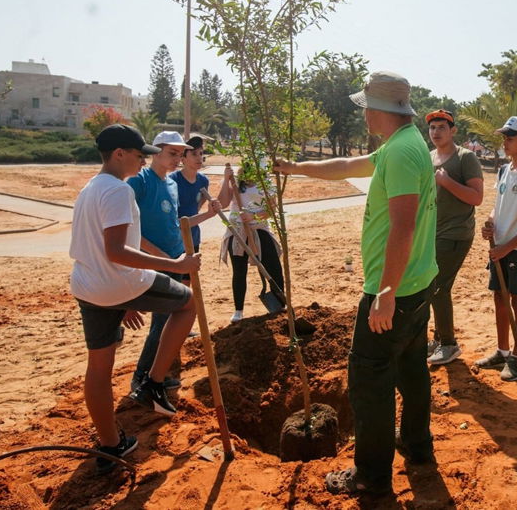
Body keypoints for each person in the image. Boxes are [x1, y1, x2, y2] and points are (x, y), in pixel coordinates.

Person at [275, 70, 437, 497]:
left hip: (394, 292)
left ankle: (370, 478)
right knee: (412, 370)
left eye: (366, 105)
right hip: (417, 285)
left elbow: (402, 228)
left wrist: (383, 294)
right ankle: (418, 447)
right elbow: (346, 166)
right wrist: (297, 167)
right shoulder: (401, 146)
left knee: (368, 384)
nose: (363, 113)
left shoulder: (401, 153)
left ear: (379, 109)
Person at [69, 124, 199, 473]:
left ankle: (112, 444)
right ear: (118, 154)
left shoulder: (90, 188)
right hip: (118, 282)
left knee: (98, 368)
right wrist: (175, 264)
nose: (144, 160)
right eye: (139, 154)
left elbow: (99, 248)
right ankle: (153, 383)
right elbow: (117, 252)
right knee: (188, 304)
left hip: (88, 286)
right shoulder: (118, 191)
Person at [128, 131, 219, 396]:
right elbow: (131, 230)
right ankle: (142, 380)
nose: (177, 159)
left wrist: (206, 217)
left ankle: (153, 376)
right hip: (155, 262)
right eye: (172, 153)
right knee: (160, 324)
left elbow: (179, 224)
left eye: (180, 154)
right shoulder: (139, 181)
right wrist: (166, 260)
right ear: (155, 151)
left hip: (175, 261)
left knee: (167, 321)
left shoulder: (170, 184)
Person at [476, 116, 517, 383]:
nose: (505, 141)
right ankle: (502, 351)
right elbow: (499, 205)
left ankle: (516, 357)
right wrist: (491, 222)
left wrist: (507, 247)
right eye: (504, 137)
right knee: (499, 297)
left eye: (510, 138)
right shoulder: (504, 171)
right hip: (499, 247)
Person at [424, 109, 483, 365]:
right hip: (432, 233)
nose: (436, 132)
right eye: (432, 128)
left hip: (456, 233)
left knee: (438, 286)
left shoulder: (465, 157)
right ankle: (438, 339)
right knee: (430, 285)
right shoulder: (430, 157)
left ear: (453, 131)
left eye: (441, 127)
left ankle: (449, 344)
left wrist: (446, 182)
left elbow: (476, 198)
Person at [217, 160, 285, 322]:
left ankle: (280, 304)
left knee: (273, 266)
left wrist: (253, 216)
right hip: (237, 230)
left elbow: (271, 209)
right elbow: (224, 203)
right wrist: (226, 180)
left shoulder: (265, 183)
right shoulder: (234, 182)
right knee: (239, 271)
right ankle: (238, 310)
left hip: (259, 228)